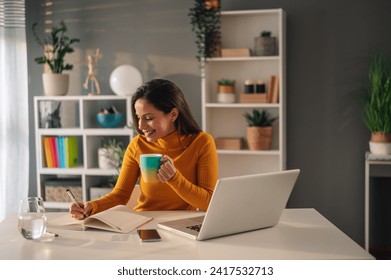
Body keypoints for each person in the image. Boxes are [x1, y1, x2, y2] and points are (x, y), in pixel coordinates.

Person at [70, 79, 218, 219]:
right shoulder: (137, 145)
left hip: (180, 226)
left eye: (148, 118)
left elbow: (208, 202)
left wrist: (174, 179)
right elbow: (121, 195)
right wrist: (92, 206)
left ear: (173, 114)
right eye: (138, 117)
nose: (140, 126)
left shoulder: (201, 143)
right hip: (142, 224)